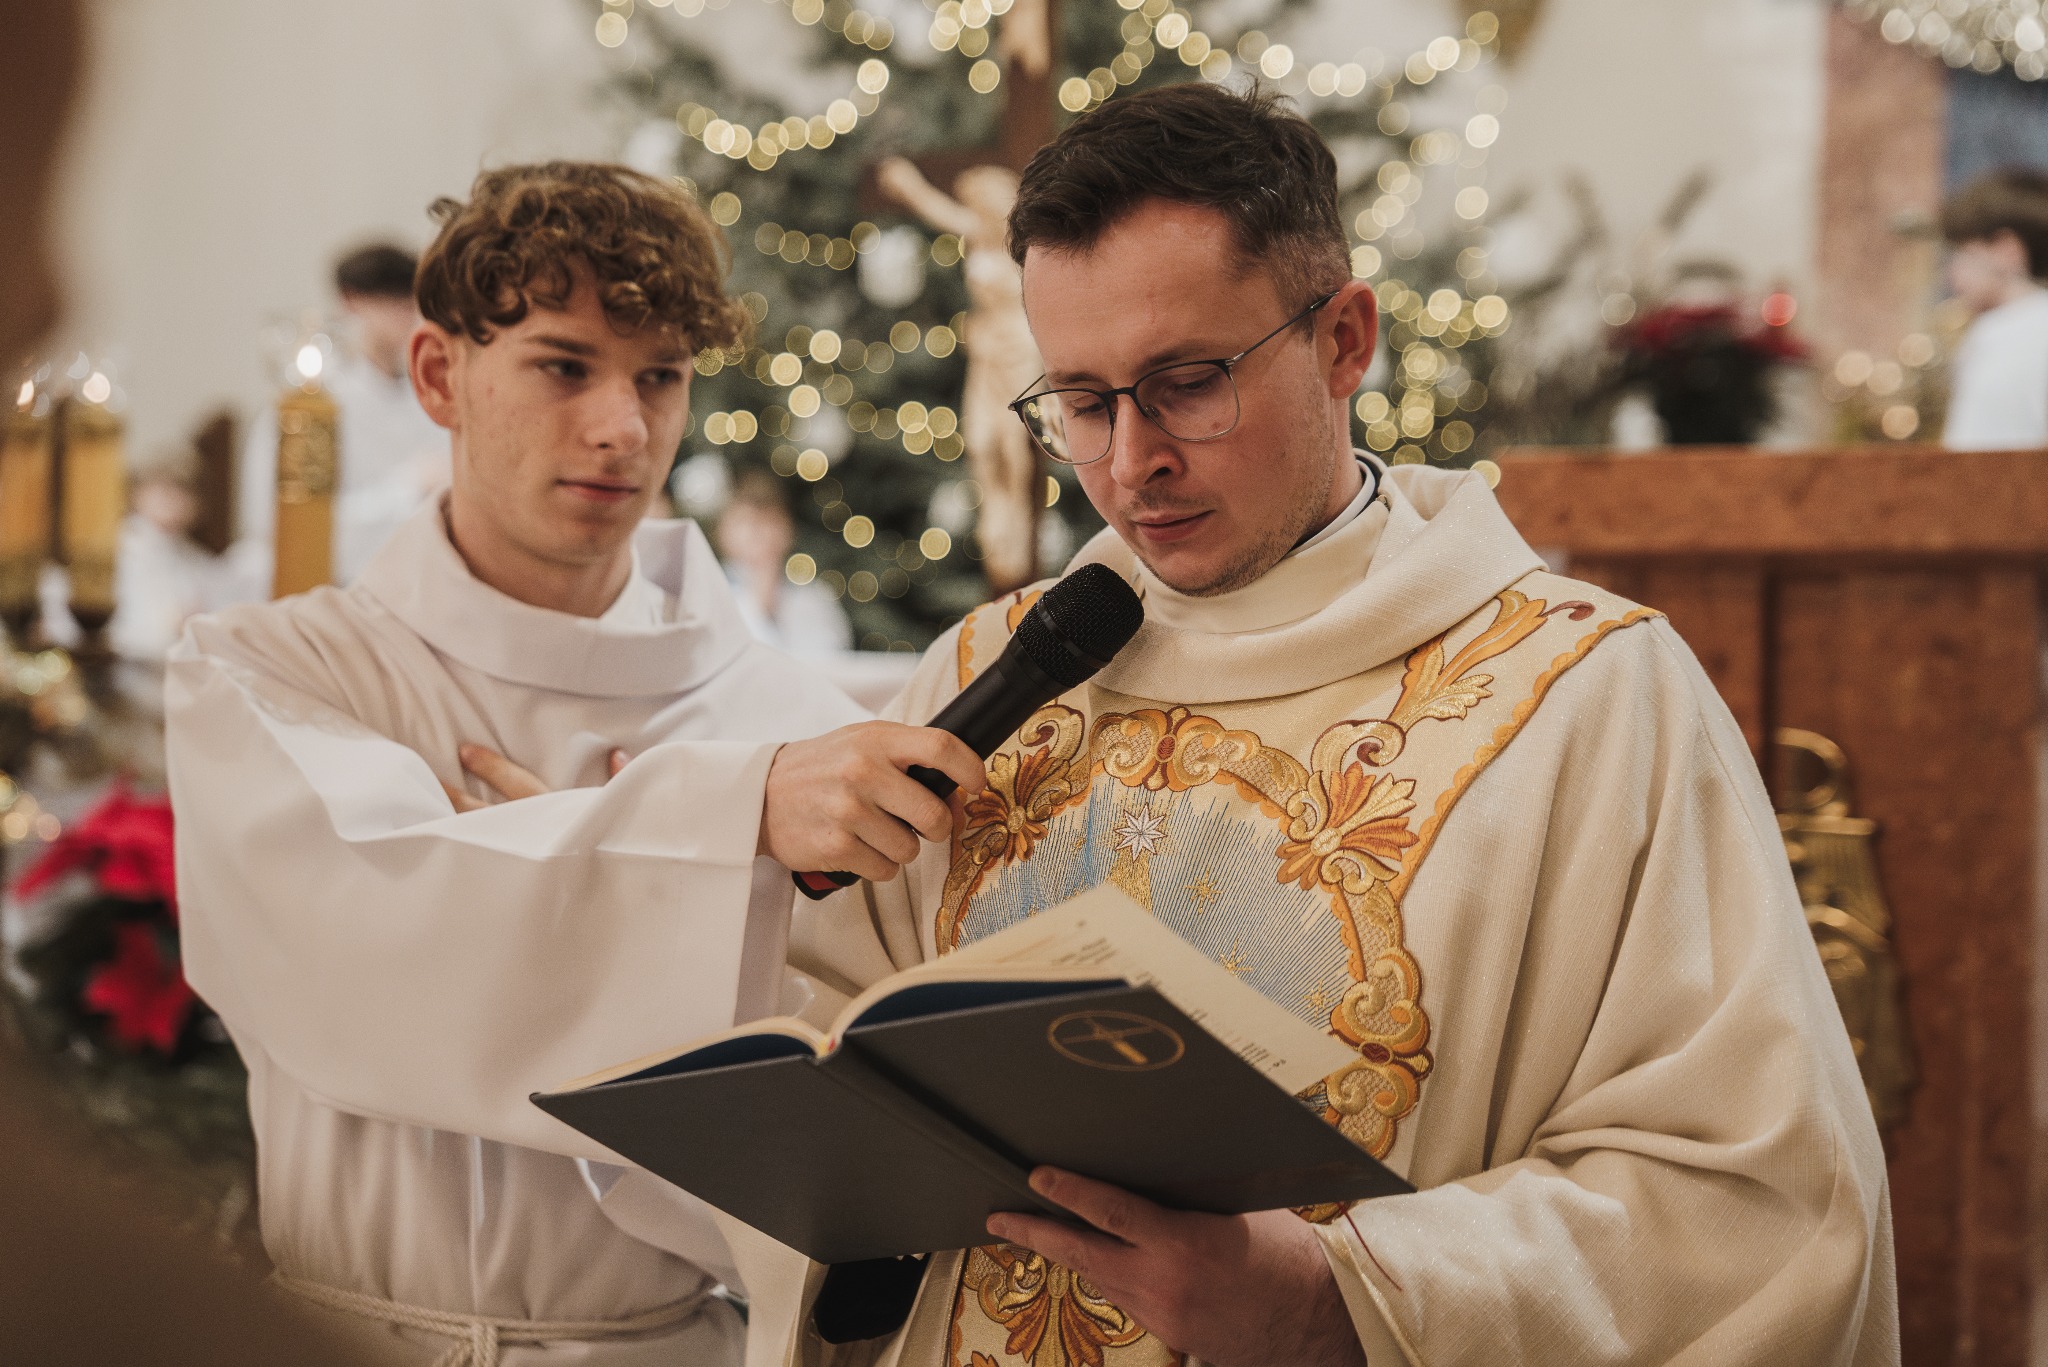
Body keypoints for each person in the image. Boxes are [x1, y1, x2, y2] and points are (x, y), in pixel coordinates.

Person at [761, 84, 1899, 1366]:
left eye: (1186, 384)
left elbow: (1752, 1208)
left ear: (1344, 338)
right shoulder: (991, 671)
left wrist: (1337, 1296)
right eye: (1080, 403)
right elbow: (831, 1060)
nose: (1130, 462)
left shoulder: (1586, 694)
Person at [167, 162, 985, 1365]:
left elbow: (838, 1128)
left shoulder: (788, 727)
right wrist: (697, 842)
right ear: (440, 374)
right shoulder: (271, 672)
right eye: (564, 366)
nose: (621, 426)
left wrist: (592, 855)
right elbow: (361, 938)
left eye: (659, 378)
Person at [236, 242, 453, 586]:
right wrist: (406, 487)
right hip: (331, 586)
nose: (406, 313)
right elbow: (279, 524)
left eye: (410, 300)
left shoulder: (425, 397)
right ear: (351, 301)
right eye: (391, 300)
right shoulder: (311, 402)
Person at [1940, 166, 2048, 450]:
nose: (1951, 274)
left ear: (2006, 250)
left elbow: (1975, 451)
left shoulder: (2005, 331)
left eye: (1961, 254)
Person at [715, 471, 852, 654]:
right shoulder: (712, 591)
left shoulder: (814, 596)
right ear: (723, 531)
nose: (758, 534)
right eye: (747, 523)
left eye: (769, 522)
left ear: (787, 529)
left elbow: (832, 656)